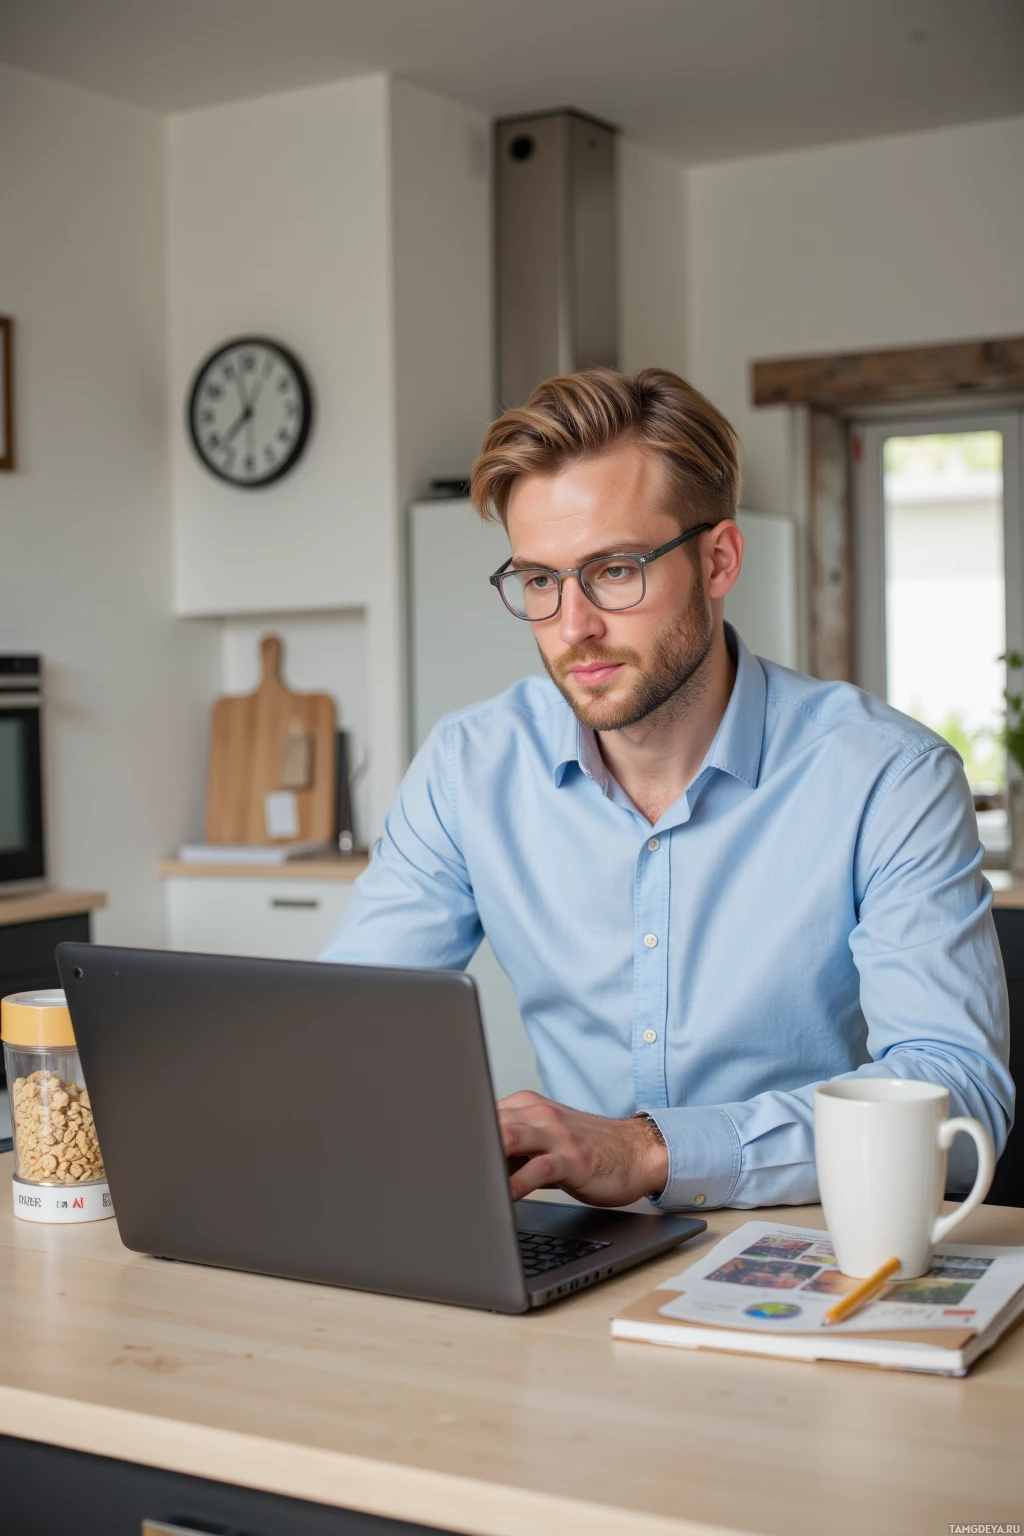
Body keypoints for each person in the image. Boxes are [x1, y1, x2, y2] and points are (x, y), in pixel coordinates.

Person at [321, 367, 1012, 1212]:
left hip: (809, 1257)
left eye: (614, 570)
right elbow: (346, 1031)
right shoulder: (470, 767)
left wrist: (650, 1149)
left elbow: (957, 1092)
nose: (573, 627)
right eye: (540, 580)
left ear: (718, 559)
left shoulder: (887, 778)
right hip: (575, 1259)